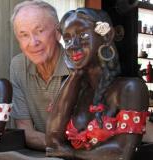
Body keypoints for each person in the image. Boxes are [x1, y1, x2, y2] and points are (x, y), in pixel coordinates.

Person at [45, 8, 150, 160]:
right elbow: (52, 143)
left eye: (83, 36)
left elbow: (122, 152)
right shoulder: (75, 88)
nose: (73, 45)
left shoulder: (130, 88)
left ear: (107, 37)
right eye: (67, 39)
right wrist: (75, 74)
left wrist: (72, 153)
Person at [10, 0, 69, 151]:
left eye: (40, 31)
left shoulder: (77, 66)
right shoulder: (18, 66)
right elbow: (25, 132)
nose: (33, 42)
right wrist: (62, 149)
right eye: (24, 35)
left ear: (58, 32)